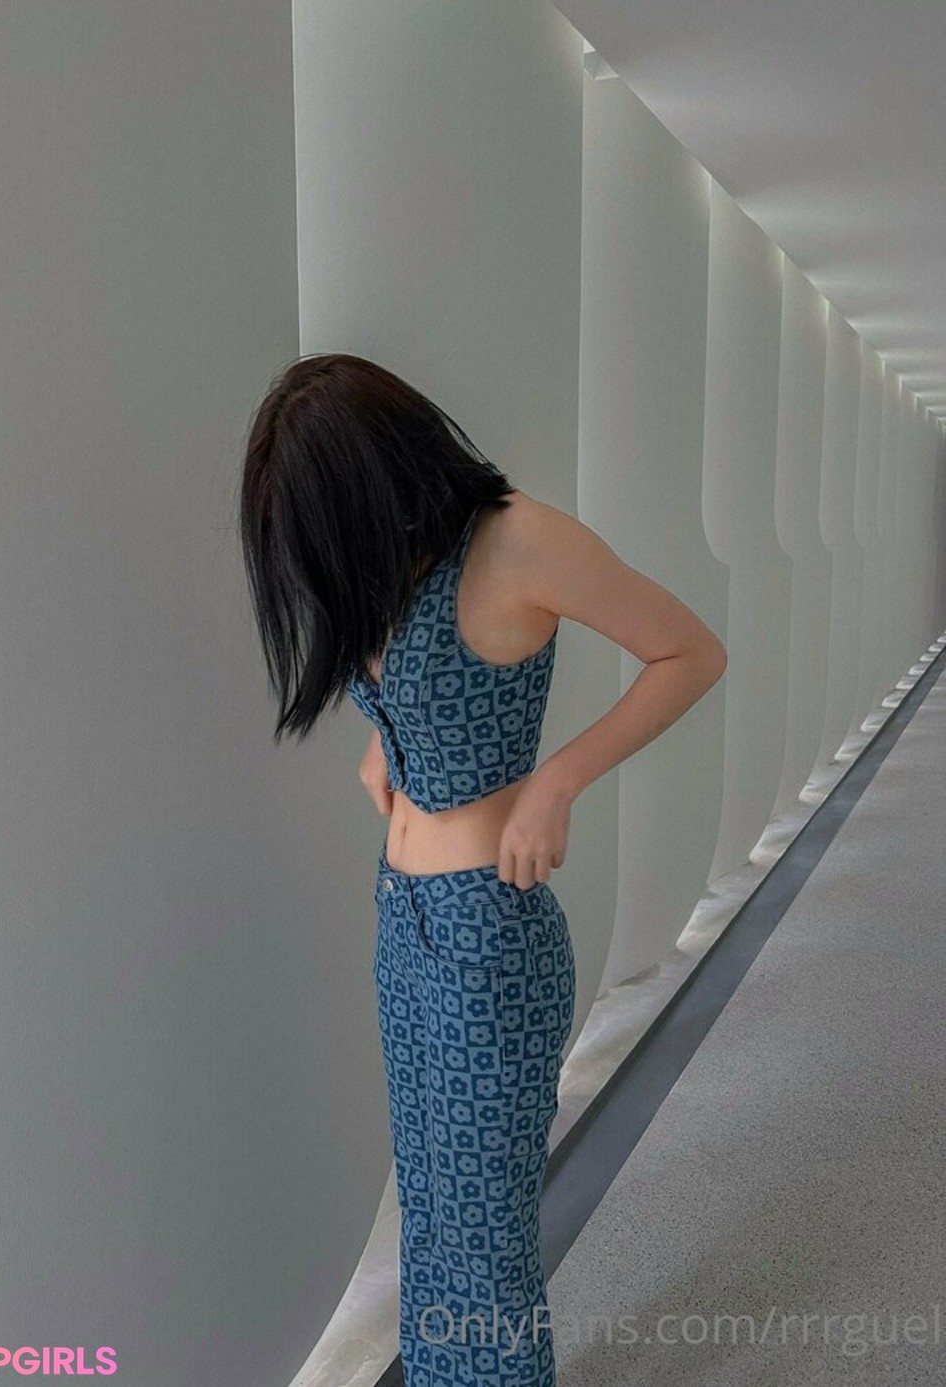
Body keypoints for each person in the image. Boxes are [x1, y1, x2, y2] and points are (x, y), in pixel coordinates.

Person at [239, 352, 726, 1386]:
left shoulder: (518, 542)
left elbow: (690, 651)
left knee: (485, 1244)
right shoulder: (389, 565)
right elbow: (418, 684)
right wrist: (388, 742)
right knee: (427, 1212)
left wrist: (558, 781)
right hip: (401, 922)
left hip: (485, 939)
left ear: (378, 474)